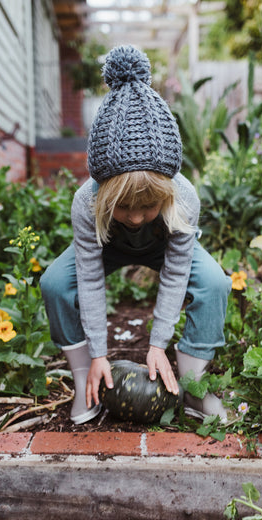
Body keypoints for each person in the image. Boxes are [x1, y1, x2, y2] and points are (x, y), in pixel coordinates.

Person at [40, 45, 232, 425]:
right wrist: (98, 353)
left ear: (166, 193)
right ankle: (85, 383)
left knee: (213, 283)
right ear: (104, 192)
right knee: (55, 284)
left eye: (148, 206)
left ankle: (193, 389)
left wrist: (158, 344)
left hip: (164, 247)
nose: (136, 218)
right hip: (106, 247)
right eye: (123, 207)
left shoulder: (183, 198)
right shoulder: (86, 202)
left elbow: (177, 272)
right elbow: (90, 279)